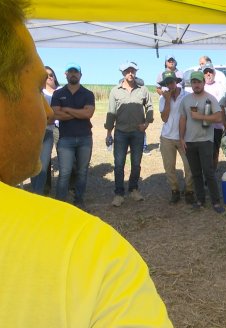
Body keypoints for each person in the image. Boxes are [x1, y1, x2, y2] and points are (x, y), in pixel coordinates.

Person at [0, 0, 173, 326]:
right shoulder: (91, 254)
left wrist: (142, 125)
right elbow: (97, 115)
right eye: (38, 89)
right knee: (88, 169)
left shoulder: (136, 91)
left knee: (127, 166)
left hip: (124, 135)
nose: (49, 110)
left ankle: (116, 191)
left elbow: (90, 113)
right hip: (100, 136)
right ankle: (112, 191)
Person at [105, 61, 153, 207]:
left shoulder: (143, 90)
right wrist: (109, 133)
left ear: (135, 72)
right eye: (127, 71)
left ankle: (133, 189)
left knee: (136, 163)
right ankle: (119, 193)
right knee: (119, 164)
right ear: (123, 73)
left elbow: (150, 107)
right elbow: (111, 112)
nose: (130, 73)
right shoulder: (115, 91)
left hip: (138, 133)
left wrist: (146, 123)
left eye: (132, 70)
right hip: (120, 133)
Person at [179, 71, 225, 213]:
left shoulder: (210, 99)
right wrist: (181, 138)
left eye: (199, 82)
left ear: (203, 83)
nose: (196, 85)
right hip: (190, 141)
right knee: (195, 173)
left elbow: (218, 117)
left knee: (208, 172)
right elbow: (183, 119)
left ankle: (216, 202)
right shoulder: (186, 100)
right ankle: (200, 200)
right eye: (194, 82)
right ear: (191, 84)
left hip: (206, 140)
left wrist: (200, 116)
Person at [52, 62, 95, 208]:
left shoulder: (88, 94)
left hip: (85, 138)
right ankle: (60, 203)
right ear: (66, 74)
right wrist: (79, 113)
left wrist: (68, 110)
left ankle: (79, 200)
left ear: (80, 75)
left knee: (82, 172)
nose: (73, 74)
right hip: (65, 139)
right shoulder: (58, 94)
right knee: (65, 172)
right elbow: (56, 114)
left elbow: (88, 113)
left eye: (76, 72)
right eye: (70, 72)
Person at [158, 71, 195, 204]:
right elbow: (164, 118)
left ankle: (189, 190)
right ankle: (174, 190)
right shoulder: (163, 99)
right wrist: (167, 101)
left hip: (184, 136)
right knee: (169, 166)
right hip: (167, 137)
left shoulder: (187, 96)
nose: (170, 85)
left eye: (172, 82)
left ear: (176, 81)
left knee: (189, 165)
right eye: (167, 83)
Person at [30, 65, 58, 195]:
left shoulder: (61, 91)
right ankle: (37, 193)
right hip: (37, 133)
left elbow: (52, 117)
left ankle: (38, 192)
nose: (49, 77)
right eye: (46, 75)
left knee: (43, 164)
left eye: (51, 74)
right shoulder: (35, 92)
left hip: (51, 131)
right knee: (36, 165)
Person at [201, 62, 225, 170]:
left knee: (214, 152)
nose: (208, 74)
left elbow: (221, 106)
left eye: (210, 71)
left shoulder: (219, 87)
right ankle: (204, 173)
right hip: (201, 126)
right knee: (203, 152)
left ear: (214, 73)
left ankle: (212, 173)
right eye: (206, 72)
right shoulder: (200, 87)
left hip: (216, 127)